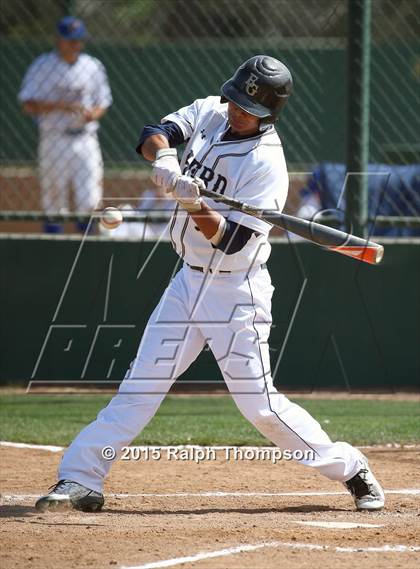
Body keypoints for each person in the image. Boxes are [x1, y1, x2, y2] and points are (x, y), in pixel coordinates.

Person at [35, 55, 384, 513]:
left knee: (259, 407)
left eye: (248, 108)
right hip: (186, 282)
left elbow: (232, 243)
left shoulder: (267, 167)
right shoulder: (211, 110)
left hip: (236, 293)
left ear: (270, 113)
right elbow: (153, 132)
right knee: (140, 385)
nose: (237, 110)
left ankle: (350, 466)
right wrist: (164, 158)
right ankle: (81, 478)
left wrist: (194, 203)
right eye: (236, 100)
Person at [18, 16, 112, 233]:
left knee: (90, 198)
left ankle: (86, 248)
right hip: (54, 136)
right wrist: (59, 106)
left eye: (79, 40)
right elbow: (28, 103)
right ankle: (54, 247)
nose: (76, 45)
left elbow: (103, 102)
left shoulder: (92, 66)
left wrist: (92, 114)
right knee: (53, 197)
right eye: (71, 40)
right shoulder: (43, 65)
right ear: (58, 40)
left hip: (85, 138)